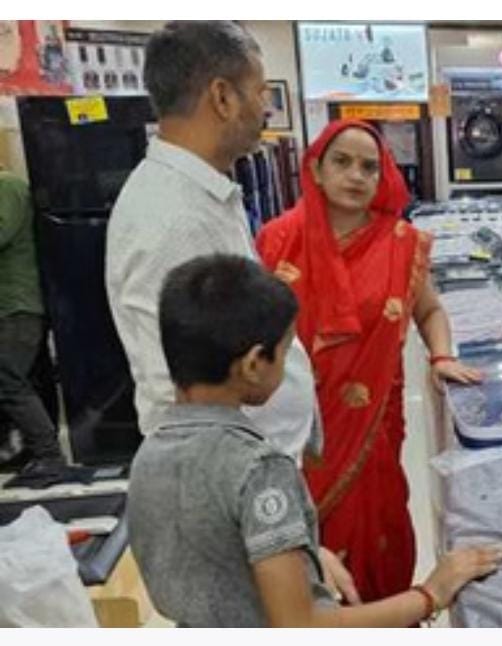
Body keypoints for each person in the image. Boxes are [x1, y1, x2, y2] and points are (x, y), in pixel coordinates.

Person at [105, 22, 357, 600]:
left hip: (251, 480)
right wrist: (277, 532)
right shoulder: (170, 219)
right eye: (260, 88)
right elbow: (188, 392)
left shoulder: (202, 193)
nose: (267, 104)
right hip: (232, 496)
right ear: (222, 96)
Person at [127, 254, 502, 627]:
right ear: (254, 364)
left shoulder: (149, 454)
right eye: (288, 349)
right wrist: (430, 594)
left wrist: (300, 554)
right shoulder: (258, 470)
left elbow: (212, 552)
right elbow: (300, 626)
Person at [256, 119, 484, 603]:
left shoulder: (401, 242)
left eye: (369, 167)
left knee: (379, 530)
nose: (356, 176)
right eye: (342, 162)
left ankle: (387, 614)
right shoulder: (277, 240)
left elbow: (430, 309)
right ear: (316, 168)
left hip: (374, 421)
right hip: (294, 423)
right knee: (302, 549)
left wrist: (442, 355)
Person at [0, 167, 64, 472]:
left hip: (18, 305)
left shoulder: (7, 186)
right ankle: (23, 450)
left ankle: (49, 455)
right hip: (10, 306)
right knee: (20, 379)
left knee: (9, 379)